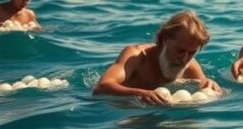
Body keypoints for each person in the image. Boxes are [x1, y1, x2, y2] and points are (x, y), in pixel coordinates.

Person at [93, 10, 221, 104]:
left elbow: (205, 85)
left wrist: (210, 84)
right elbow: (101, 87)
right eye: (179, 50)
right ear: (162, 40)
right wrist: (140, 94)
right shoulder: (136, 57)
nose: (184, 59)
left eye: (192, 53)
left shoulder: (191, 66)